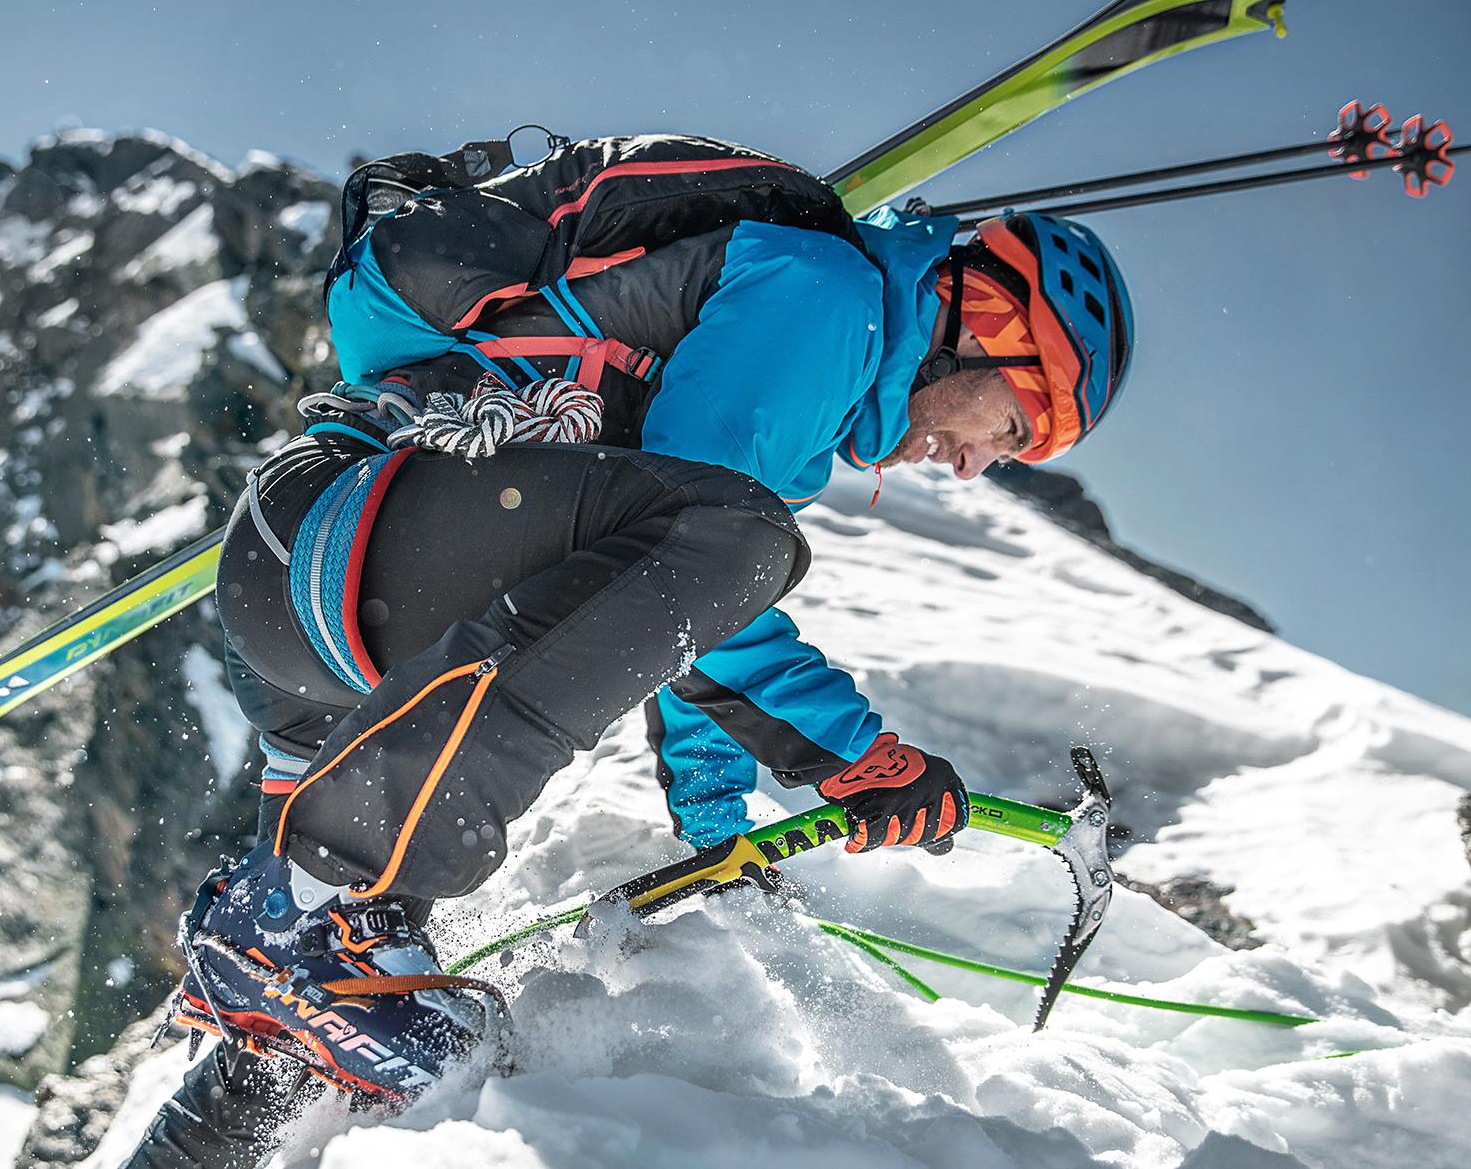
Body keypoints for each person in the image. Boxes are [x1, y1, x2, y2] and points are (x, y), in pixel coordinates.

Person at [123, 176, 1132, 1165]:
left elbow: (673, 620)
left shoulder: (808, 370)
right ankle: (321, 915)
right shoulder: (822, 296)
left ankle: (260, 1000)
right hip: (362, 540)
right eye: (1015, 427)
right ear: (990, 324)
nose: (976, 463)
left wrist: (716, 829)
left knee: (296, 1025)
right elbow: (706, 563)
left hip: (324, 595)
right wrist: (855, 757)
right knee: (740, 545)